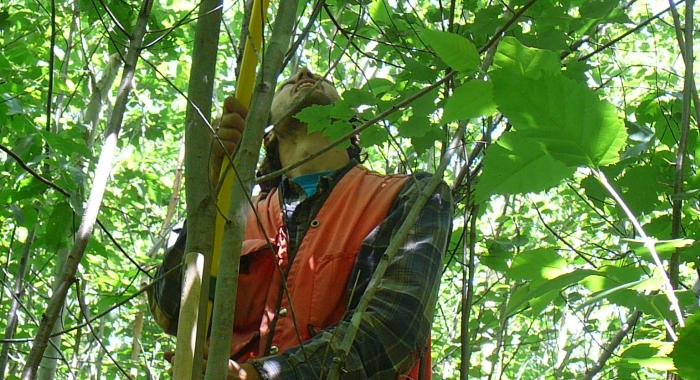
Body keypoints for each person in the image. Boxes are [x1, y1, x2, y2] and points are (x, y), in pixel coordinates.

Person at [148, 67, 453, 379]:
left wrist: (259, 376)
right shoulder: (234, 214)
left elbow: (393, 331)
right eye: (286, 82)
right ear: (268, 134)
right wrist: (213, 193)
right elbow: (170, 311)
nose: (304, 72)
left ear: (351, 123)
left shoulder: (409, 195)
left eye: (327, 79)